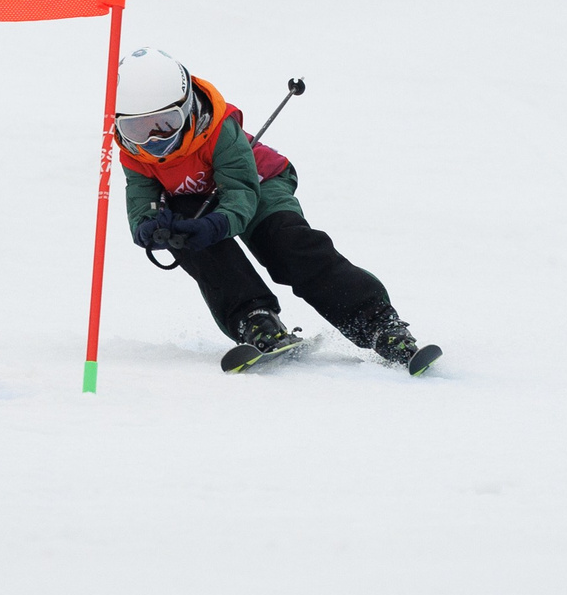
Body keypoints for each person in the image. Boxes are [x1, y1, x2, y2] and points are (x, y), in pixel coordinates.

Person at [114, 46, 439, 375]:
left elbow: (241, 192)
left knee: (285, 245)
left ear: (188, 108)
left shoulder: (217, 130)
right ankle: (254, 321)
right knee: (191, 239)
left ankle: (376, 321)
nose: (153, 140)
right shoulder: (134, 154)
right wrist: (149, 228)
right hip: (195, 199)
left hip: (260, 182)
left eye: (167, 124)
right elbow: (142, 199)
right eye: (137, 129)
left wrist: (216, 224)